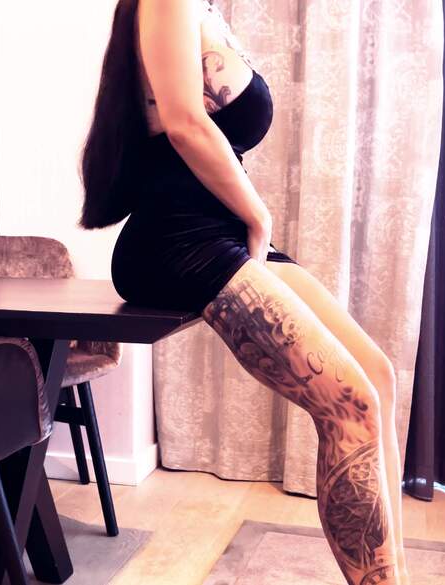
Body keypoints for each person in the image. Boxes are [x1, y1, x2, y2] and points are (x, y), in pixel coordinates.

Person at [79, 1, 409, 583]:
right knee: (349, 404)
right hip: (177, 240)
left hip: (219, 233)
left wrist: (250, 224)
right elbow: (184, 122)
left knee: (375, 378)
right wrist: (259, 216)